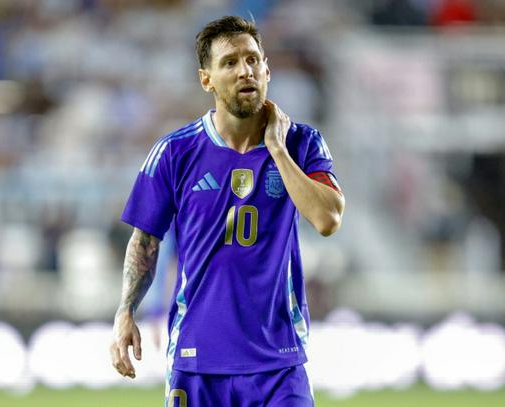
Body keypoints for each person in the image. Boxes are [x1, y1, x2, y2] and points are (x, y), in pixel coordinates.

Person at [110, 15, 345, 406]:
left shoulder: (302, 143)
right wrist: (125, 312)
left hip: (278, 362)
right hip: (197, 359)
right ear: (207, 80)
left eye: (253, 60)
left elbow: (328, 219)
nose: (245, 71)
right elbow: (145, 241)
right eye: (230, 63)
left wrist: (277, 150)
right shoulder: (174, 152)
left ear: (267, 70)